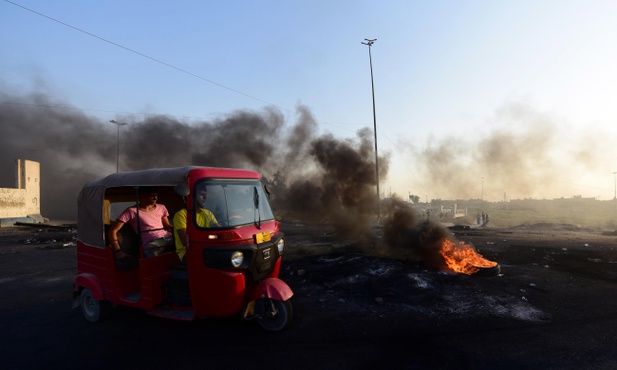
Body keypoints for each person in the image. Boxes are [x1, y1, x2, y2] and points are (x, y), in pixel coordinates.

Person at [108, 187, 174, 259]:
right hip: (151, 243)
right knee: (151, 253)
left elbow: (167, 225)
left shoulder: (161, 207)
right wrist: (118, 251)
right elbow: (113, 231)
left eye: (156, 196)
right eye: (152, 196)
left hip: (167, 238)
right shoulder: (131, 211)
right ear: (142, 196)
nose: (155, 198)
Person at [173, 186, 220, 264]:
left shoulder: (207, 213)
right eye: (201, 195)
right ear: (191, 197)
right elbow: (185, 241)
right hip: (187, 253)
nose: (205, 197)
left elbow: (218, 229)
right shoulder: (181, 215)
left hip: (207, 248)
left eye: (206, 194)